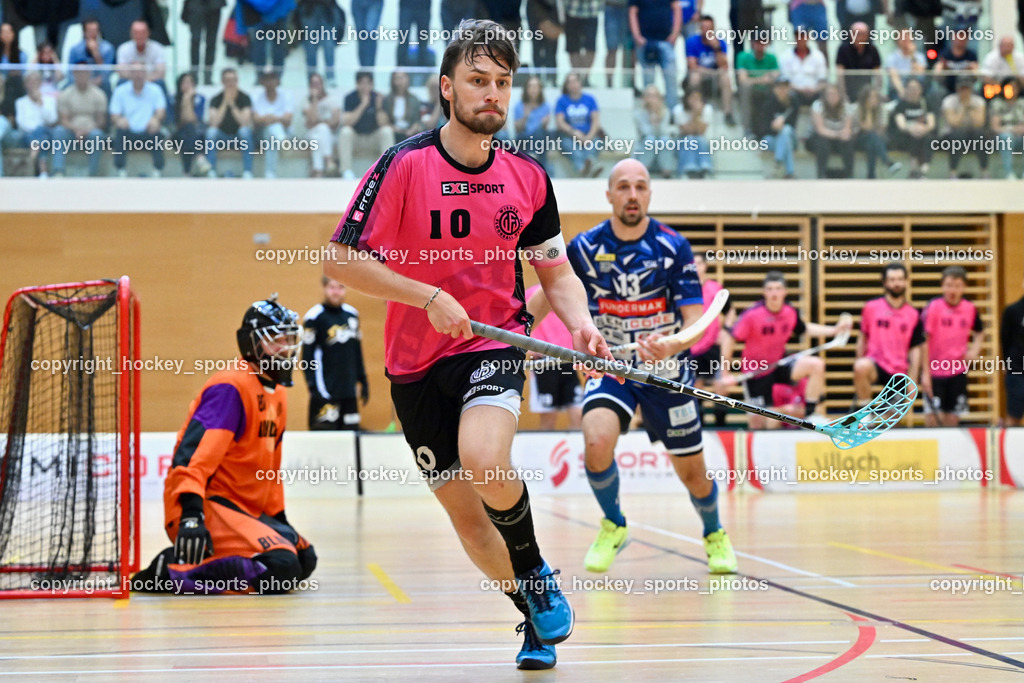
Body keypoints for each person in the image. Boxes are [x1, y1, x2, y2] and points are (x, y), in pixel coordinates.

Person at [322, 19, 612, 670]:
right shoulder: (405, 165)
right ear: (448, 88)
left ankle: (536, 575)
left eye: (503, 82)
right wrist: (425, 295)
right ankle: (530, 613)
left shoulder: (529, 178)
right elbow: (342, 258)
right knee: (471, 523)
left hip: (493, 344)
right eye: (478, 81)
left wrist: (583, 322)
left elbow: (555, 272)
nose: (493, 94)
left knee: (485, 458)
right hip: (413, 365)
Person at [528, 158, 738, 576]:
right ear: (609, 195)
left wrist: (673, 343)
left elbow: (695, 321)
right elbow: (544, 295)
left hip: (667, 372)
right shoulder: (585, 248)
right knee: (596, 440)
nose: (632, 194)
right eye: (623, 187)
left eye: (640, 187)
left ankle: (714, 533)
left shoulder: (672, 246)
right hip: (612, 366)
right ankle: (613, 524)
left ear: (649, 194)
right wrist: (508, 335)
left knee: (694, 474)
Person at [131, 296, 317, 595]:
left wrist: (278, 518)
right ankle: (170, 571)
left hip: (244, 508)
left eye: (289, 339)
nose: (286, 348)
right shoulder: (230, 387)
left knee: (305, 559)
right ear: (252, 344)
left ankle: (210, 559)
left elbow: (270, 466)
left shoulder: (277, 392)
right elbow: (193, 455)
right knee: (283, 568)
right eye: (276, 340)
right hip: (207, 504)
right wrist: (191, 513)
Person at [721, 271, 851, 428]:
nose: (774, 293)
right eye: (769, 289)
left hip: (779, 364)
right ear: (764, 292)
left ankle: (811, 413)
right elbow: (730, 338)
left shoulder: (789, 311)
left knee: (816, 365)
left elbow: (804, 329)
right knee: (758, 422)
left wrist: (834, 330)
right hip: (755, 372)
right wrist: (724, 374)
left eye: (778, 288)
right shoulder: (752, 315)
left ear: (785, 292)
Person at [853, 262, 924, 408]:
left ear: (905, 282)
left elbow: (915, 349)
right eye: (892, 280)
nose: (896, 283)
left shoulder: (913, 314)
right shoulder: (871, 307)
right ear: (885, 283)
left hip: (899, 371)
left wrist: (913, 380)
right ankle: (865, 411)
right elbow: (863, 337)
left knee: (892, 419)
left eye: (899, 279)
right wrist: (858, 368)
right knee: (860, 366)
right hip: (875, 364)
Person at [301, 277, 369, 430]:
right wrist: (313, 388)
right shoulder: (314, 317)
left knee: (350, 442)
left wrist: (363, 381)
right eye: (332, 287)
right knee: (325, 443)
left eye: (340, 287)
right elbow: (307, 357)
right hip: (325, 393)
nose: (336, 292)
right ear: (324, 288)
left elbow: (357, 352)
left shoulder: (352, 315)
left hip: (349, 393)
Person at [920, 266, 982, 427]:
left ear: (964, 287)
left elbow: (980, 332)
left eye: (957, 285)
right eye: (948, 285)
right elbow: (923, 341)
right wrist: (925, 373)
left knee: (952, 420)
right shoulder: (933, 307)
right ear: (942, 286)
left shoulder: (970, 309)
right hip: (934, 373)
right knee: (933, 419)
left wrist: (973, 351)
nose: (952, 290)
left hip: (957, 372)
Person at [524, 285, 583, 430]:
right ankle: (545, 451)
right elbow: (521, 323)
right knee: (548, 413)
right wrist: (528, 347)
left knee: (577, 410)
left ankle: (577, 450)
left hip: (567, 358)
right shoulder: (530, 294)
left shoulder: (567, 291)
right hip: (543, 361)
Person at [689, 253, 733, 427]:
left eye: (699, 263)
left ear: (705, 266)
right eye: (692, 264)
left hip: (712, 344)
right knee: (696, 386)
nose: (696, 267)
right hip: (691, 345)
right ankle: (700, 427)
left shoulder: (716, 288)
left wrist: (727, 329)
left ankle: (720, 425)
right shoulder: (685, 288)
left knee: (720, 384)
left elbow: (730, 310)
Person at [109, 61, 167, 178]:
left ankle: (157, 171)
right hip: (128, 130)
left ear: (145, 73)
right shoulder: (120, 90)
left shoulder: (155, 90)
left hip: (148, 130)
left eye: (141, 72)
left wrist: (156, 119)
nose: (138, 75)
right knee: (119, 134)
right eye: (135, 72)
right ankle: (121, 171)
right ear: (130, 74)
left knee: (158, 133)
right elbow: (114, 113)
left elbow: (161, 111)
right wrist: (119, 120)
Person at [53, 59, 108, 177]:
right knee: (58, 131)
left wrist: (86, 131)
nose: (82, 75)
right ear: (74, 74)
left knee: (97, 135)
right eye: (79, 73)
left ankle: (92, 173)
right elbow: (64, 120)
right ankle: (58, 171)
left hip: (91, 130)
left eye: (84, 72)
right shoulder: (66, 94)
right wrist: (76, 130)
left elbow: (101, 121)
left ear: (89, 74)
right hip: (71, 130)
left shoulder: (99, 94)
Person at [339, 70, 393, 180]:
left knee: (387, 131)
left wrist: (378, 107)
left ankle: (387, 172)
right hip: (356, 138)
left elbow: (383, 123)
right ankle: (346, 171)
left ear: (372, 84)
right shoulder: (350, 98)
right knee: (345, 132)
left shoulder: (378, 97)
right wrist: (363, 104)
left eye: (368, 83)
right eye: (362, 83)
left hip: (373, 138)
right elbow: (347, 122)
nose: (365, 86)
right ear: (357, 84)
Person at [630, 0, 682, 109]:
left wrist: (675, 33)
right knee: (648, 81)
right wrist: (637, 36)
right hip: (645, 42)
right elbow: (633, 12)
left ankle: (673, 111)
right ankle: (649, 111)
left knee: (671, 78)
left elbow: (677, 8)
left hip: (666, 41)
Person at [684, 15, 735, 126]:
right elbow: (693, 66)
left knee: (726, 78)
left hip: (715, 76)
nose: (706, 30)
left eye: (709, 27)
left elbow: (725, 65)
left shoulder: (720, 42)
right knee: (695, 77)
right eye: (704, 27)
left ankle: (728, 113)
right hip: (702, 74)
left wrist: (716, 48)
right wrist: (711, 72)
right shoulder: (692, 42)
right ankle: (694, 109)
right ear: (700, 28)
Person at [207, 67, 255, 179]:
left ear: (237, 81)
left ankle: (247, 171)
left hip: (239, 138)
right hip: (222, 137)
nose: (230, 83)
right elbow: (214, 123)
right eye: (227, 80)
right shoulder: (215, 99)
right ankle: (211, 171)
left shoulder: (245, 98)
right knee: (211, 132)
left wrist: (232, 104)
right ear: (222, 82)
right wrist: (225, 102)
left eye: (233, 80)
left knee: (245, 131)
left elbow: (244, 122)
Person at [941, 76, 990, 179]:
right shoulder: (949, 101)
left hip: (972, 134)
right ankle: (953, 172)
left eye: (967, 88)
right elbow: (954, 123)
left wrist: (969, 107)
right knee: (958, 136)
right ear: (957, 89)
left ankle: (984, 171)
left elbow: (979, 123)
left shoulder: (979, 101)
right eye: (962, 88)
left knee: (981, 136)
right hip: (952, 135)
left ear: (971, 89)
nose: (964, 91)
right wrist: (963, 107)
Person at [555, 72, 602, 177]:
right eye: (570, 82)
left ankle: (589, 165)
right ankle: (584, 169)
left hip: (589, 135)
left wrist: (589, 137)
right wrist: (575, 133)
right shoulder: (562, 101)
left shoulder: (590, 99)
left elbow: (596, 121)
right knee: (572, 148)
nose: (573, 84)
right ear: (566, 86)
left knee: (596, 143)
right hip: (569, 136)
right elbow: (560, 122)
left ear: (580, 83)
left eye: (575, 81)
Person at [888, 78, 935, 179]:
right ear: (906, 90)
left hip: (923, 135)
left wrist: (923, 128)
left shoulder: (926, 104)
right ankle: (915, 170)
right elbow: (901, 125)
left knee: (928, 138)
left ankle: (922, 170)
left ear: (920, 90)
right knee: (914, 137)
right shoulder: (901, 106)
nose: (913, 91)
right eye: (911, 88)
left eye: (916, 88)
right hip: (906, 136)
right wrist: (912, 129)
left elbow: (931, 123)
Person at [806, 83, 856, 178]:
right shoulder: (817, 106)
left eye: (834, 94)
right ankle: (821, 174)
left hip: (838, 140)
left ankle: (849, 175)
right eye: (829, 94)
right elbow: (820, 130)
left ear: (840, 95)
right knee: (822, 141)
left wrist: (844, 134)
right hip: (817, 139)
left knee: (848, 142)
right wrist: (838, 134)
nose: (831, 97)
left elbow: (847, 130)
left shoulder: (847, 107)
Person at [252, 69, 294, 179]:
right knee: (271, 131)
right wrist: (278, 118)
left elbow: (288, 120)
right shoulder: (256, 97)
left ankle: (270, 174)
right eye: (267, 79)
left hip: (285, 132)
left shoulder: (286, 95)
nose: (270, 82)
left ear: (278, 80)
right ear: (262, 81)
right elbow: (256, 120)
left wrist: (271, 118)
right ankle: (283, 142)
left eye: (272, 78)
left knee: (272, 136)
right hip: (262, 134)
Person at [754, 77, 798, 179]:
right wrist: (774, 128)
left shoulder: (794, 102)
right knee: (783, 138)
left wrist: (782, 124)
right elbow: (763, 129)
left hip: (790, 137)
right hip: (772, 138)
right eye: (780, 88)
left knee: (786, 131)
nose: (782, 90)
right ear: (774, 89)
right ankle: (790, 172)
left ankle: (778, 161)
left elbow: (793, 125)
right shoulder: (768, 104)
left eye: (785, 88)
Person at [172, 71, 214, 177]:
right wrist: (186, 99)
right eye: (184, 82)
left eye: (190, 82)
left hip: (196, 134)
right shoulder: (172, 99)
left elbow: (194, 120)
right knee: (186, 132)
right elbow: (178, 122)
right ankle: (200, 157)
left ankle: (186, 172)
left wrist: (187, 100)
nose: (187, 85)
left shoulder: (200, 99)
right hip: (176, 135)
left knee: (188, 135)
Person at [736, 36, 779, 136]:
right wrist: (762, 79)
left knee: (777, 88)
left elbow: (775, 76)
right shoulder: (743, 56)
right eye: (757, 42)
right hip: (751, 90)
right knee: (746, 88)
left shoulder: (772, 58)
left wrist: (754, 79)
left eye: (762, 42)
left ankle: (772, 126)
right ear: (753, 43)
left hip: (767, 89)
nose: (760, 45)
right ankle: (747, 128)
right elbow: (743, 80)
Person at [855, 85, 900, 179]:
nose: (873, 100)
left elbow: (882, 129)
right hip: (860, 138)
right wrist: (868, 110)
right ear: (865, 99)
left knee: (872, 141)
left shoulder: (882, 109)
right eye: (870, 97)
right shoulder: (858, 108)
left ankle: (871, 175)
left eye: (875, 97)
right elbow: (866, 127)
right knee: (871, 137)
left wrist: (873, 133)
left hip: (878, 138)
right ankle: (887, 162)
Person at [66, 17, 116, 96]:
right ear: (84, 32)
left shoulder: (108, 49)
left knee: (106, 83)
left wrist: (96, 53)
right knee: (67, 85)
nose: (93, 34)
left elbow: (106, 72)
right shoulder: (75, 50)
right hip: (79, 83)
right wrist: (84, 82)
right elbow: (70, 72)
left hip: (99, 83)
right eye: (90, 31)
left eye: (95, 31)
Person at [303, 72, 340, 177]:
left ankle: (318, 172)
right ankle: (329, 161)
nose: (316, 87)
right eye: (313, 84)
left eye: (318, 83)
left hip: (330, 135)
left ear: (323, 84)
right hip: (310, 133)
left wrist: (319, 122)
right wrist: (314, 99)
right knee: (321, 130)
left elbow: (335, 122)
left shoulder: (332, 100)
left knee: (317, 139)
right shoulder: (306, 102)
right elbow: (312, 119)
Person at [835, 22, 881, 102]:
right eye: (856, 34)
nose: (859, 37)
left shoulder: (872, 49)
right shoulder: (843, 49)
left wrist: (876, 93)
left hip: (867, 91)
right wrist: (843, 94)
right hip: (848, 91)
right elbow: (840, 74)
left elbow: (878, 74)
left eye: (863, 34)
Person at [635, 84, 675, 178]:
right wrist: (653, 121)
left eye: (654, 96)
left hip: (660, 142)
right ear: (644, 98)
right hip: (644, 143)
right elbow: (645, 132)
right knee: (650, 139)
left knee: (665, 140)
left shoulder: (665, 112)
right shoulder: (638, 114)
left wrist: (657, 118)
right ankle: (643, 171)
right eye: (649, 95)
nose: (652, 99)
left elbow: (663, 131)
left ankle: (667, 171)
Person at [513, 75, 552, 170]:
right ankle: (533, 159)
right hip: (524, 138)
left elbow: (544, 129)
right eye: (530, 86)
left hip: (539, 140)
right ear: (526, 89)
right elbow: (518, 129)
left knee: (540, 133)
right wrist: (525, 116)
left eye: (536, 86)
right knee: (522, 138)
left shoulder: (545, 106)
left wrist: (545, 123)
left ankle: (536, 160)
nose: (533, 89)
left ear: (540, 89)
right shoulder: (519, 105)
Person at [182, 0, 225, 86]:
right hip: (195, 5)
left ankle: (207, 76)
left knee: (211, 42)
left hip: (214, 6)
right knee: (195, 40)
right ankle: (194, 75)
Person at [673, 87, 713, 178]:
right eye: (693, 98)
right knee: (689, 139)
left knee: (700, 140)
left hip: (701, 139)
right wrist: (695, 115)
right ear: (687, 99)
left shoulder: (707, 109)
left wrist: (698, 114)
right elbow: (687, 131)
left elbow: (700, 131)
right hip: (682, 140)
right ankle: (688, 167)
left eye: (698, 99)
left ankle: (705, 165)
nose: (695, 102)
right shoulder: (678, 110)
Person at [779, 32, 827, 107]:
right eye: (798, 36)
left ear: (808, 37)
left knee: (825, 96)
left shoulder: (818, 55)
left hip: (814, 91)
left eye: (803, 36)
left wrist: (815, 89)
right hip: (794, 92)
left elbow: (822, 80)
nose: (800, 39)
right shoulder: (785, 56)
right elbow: (785, 81)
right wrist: (801, 89)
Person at [1001, 278, 1024, 427]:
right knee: (1014, 414)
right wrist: (1006, 363)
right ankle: (1011, 448)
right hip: (1017, 371)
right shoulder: (1013, 311)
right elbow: (1005, 340)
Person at [992, 77, 1024, 179]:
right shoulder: (998, 103)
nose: (1013, 90)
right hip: (1002, 137)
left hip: (1020, 137)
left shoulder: (1022, 103)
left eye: (1015, 87)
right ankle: (1009, 173)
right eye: (1009, 87)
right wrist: (1012, 129)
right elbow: (995, 127)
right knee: (1007, 138)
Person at [381, 69, 423, 142]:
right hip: (394, 131)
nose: (400, 81)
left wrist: (412, 129)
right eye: (397, 78)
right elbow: (385, 120)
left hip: (410, 130)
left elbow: (417, 119)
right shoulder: (387, 100)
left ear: (407, 79)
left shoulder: (414, 99)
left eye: (402, 78)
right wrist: (394, 129)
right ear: (393, 81)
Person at [935, 29, 978, 96]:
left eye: (964, 36)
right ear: (953, 37)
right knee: (937, 91)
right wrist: (943, 67)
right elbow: (937, 73)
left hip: (966, 87)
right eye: (959, 36)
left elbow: (976, 74)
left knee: (976, 92)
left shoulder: (971, 55)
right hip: (948, 88)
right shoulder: (944, 54)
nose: (962, 39)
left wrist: (971, 68)